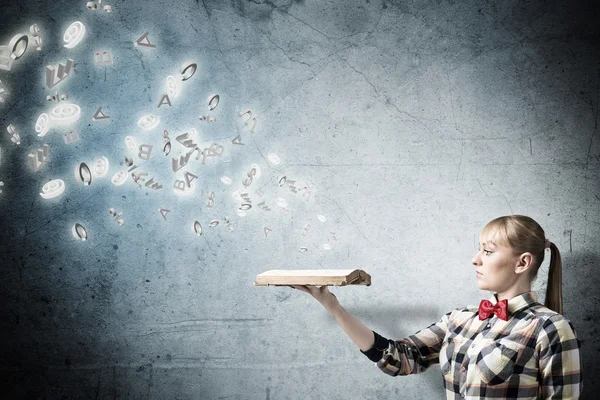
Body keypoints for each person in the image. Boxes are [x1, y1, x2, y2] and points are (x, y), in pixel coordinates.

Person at [290, 215, 583, 399]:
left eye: (488, 251)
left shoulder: (551, 329)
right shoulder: (460, 320)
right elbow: (399, 359)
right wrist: (333, 307)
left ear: (523, 262)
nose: (475, 259)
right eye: (479, 249)